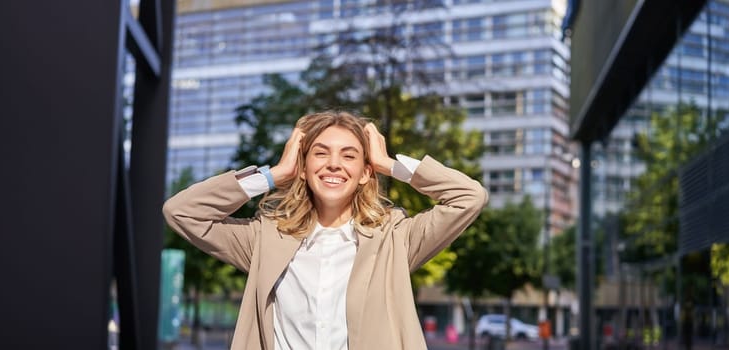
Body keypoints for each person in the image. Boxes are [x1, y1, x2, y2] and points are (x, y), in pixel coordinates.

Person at [163, 111, 488, 350]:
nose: (334, 164)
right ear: (303, 168)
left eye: (349, 156)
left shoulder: (395, 239)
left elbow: (469, 197)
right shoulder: (264, 238)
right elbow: (182, 212)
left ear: (364, 173)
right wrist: (275, 173)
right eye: (321, 153)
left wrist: (388, 164)